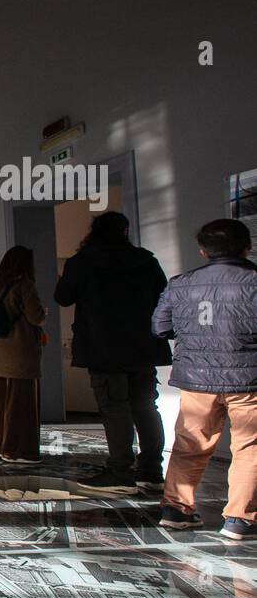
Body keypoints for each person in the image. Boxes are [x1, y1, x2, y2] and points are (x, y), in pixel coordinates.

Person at [152, 219, 257, 539]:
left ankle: (176, 510)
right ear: (247, 246)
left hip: (196, 378)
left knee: (190, 444)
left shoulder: (181, 283)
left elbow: (160, 327)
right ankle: (240, 519)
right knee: (249, 446)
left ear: (203, 250)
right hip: (248, 378)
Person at [54, 212, 172, 494]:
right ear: (125, 231)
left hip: (104, 346)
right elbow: (164, 296)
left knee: (114, 407)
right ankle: (152, 470)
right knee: (145, 406)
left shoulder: (83, 262)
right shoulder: (145, 260)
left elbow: (63, 297)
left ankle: (120, 471)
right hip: (143, 345)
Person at [0, 246, 47, 463]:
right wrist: (44, 312)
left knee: (2, 401)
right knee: (23, 402)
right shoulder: (24, 285)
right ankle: (20, 450)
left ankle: (2, 445)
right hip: (21, 350)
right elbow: (36, 316)